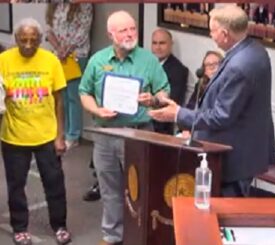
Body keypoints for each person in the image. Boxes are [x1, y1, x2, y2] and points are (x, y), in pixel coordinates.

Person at [149, 5, 275, 197]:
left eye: (212, 30)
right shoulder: (256, 50)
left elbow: (221, 116)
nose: (210, 34)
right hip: (247, 149)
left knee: (223, 216)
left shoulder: (239, 66)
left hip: (233, 158)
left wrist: (178, 114)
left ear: (225, 34)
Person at [79, 10, 170, 245]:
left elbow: (164, 91)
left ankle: (142, 236)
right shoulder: (98, 61)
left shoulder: (148, 60)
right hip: (106, 134)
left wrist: (153, 99)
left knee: (142, 188)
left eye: (132, 29)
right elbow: (84, 92)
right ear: (111, 34)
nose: (130, 34)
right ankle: (112, 235)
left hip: (139, 132)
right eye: (123, 30)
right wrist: (96, 110)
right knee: (110, 189)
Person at [0, 18, 71, 245]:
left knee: (54, 182)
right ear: (16, 39)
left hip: (46, 136)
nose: (28, 45)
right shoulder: (3, 60)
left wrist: (60, 136)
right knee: (16, 185)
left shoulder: (50, 61)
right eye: (23, 40)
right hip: (13, 136)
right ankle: (20, 228)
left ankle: (59, 225)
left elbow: (60, 101)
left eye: (33, 40)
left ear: (41, 40)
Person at [46, 2, 93, 150]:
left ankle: (74, 135)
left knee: (73, 96)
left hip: (76, 55)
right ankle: (63, 132)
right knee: (62, 95)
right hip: (58, 54)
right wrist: (59, 49)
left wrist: (66, 50)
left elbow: (82, 32)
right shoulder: (55, 4)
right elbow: (49, 30)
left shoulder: (85, 5)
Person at [151, 28, 188, 135]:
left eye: (162, 43)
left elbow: (172, 102)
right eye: (154, 43)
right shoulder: (146, 64)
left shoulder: (179, 70)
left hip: (160, 127)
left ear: (171, 44)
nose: (158, 47)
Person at [181, 49, 224, 138]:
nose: (212, 67)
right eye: (208, 65)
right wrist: (186, 128)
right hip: (198, 128)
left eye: (215, 64)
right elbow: (190, 108)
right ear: (204, 71)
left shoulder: (227, 85)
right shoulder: (200, 86)